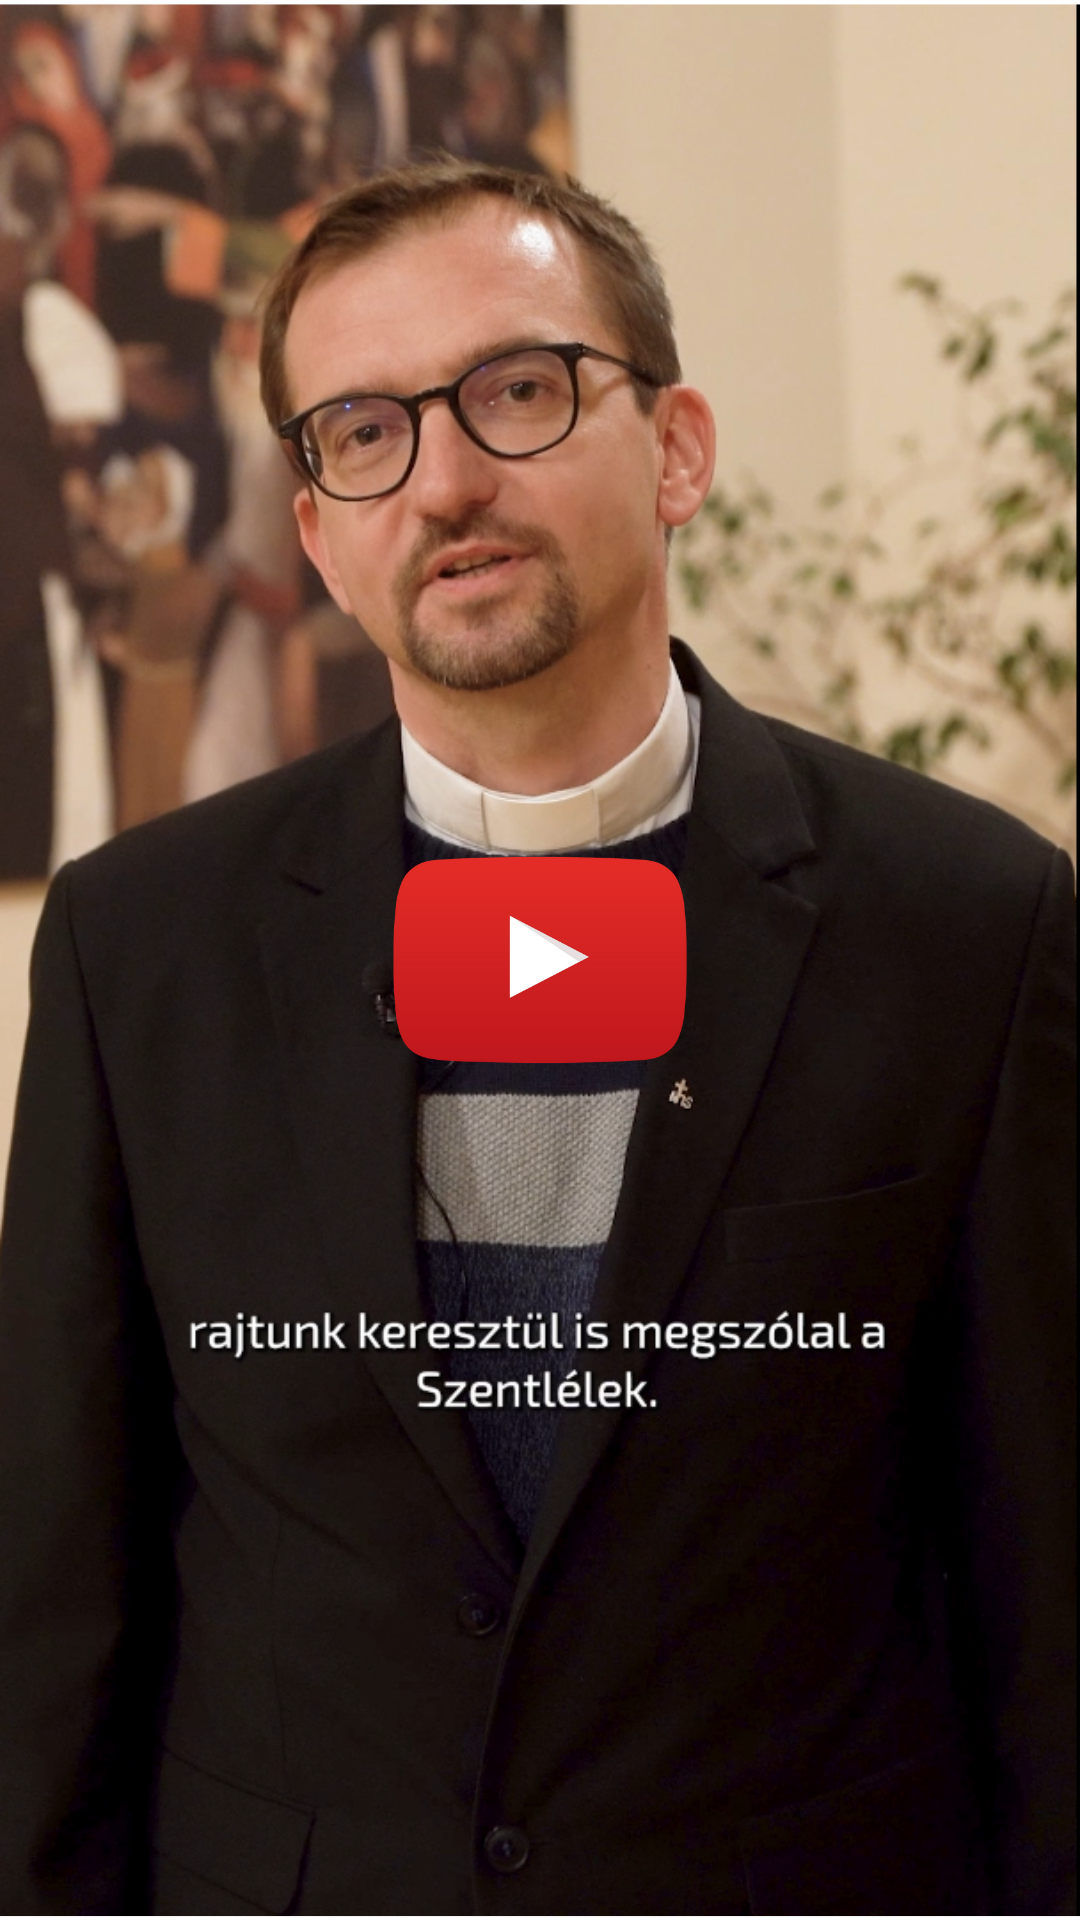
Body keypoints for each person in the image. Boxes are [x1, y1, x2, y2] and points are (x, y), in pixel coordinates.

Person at [0, 160, 1074, 1917]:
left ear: (676, 450)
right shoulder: (139, 951)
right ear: (318, 529)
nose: (445, 481)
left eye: (515, 389)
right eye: (365, 431)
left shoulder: (971, 923)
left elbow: (1045, 1590)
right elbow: (55, 1590)